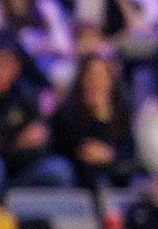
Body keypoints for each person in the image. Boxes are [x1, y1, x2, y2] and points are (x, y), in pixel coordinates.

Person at [0, 38, 74, 191]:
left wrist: (0, 143)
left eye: (4, 64)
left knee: (59, 169)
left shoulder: (28, 97)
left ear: (16, 68)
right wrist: (14, 143)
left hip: (24, 173)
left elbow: (40, 145)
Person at [51, 54, 137, 190]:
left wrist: (111, 156)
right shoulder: (66, 114)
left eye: (101, 76)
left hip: (116, 178)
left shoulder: (123, 114)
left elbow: (129, 154)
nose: (96, 82)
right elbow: (81, 151)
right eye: (90, 77)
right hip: (77, 181)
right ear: (81, 80)